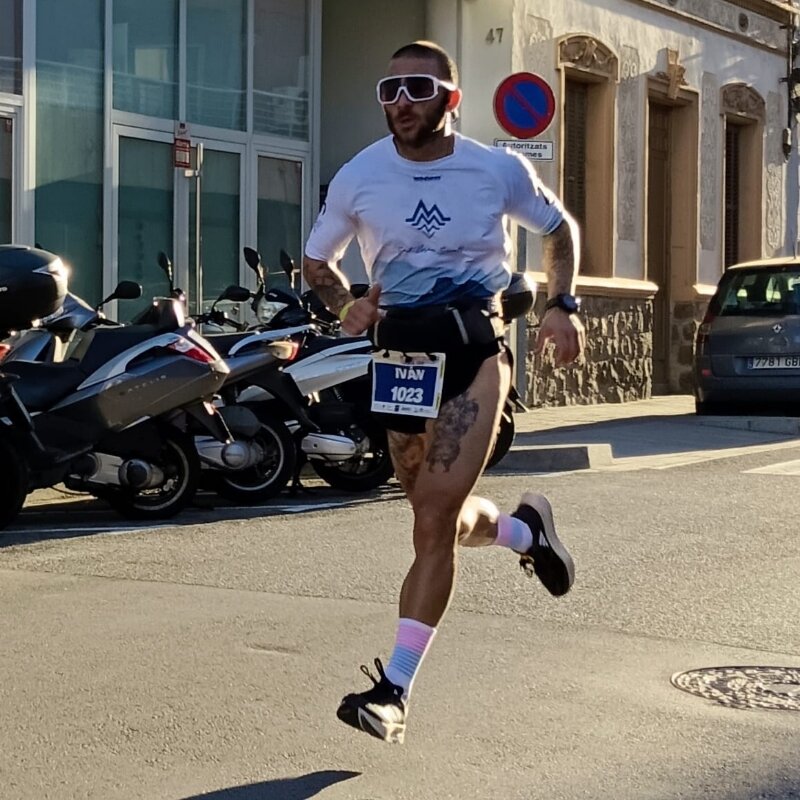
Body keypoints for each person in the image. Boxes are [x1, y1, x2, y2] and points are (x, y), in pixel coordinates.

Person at [303, 40, 585, 745]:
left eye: (418, 88)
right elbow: (317, 261)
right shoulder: (360, 174)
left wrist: (562, 305)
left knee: (432, 518)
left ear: (450, 99)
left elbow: (559, 230)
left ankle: (394, 692)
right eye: (389, 89)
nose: (401, 101)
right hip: (398, 357)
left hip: (473, 351)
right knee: (437, 517)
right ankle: (524, 531)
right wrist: (345, 306)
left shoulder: (495, 169)